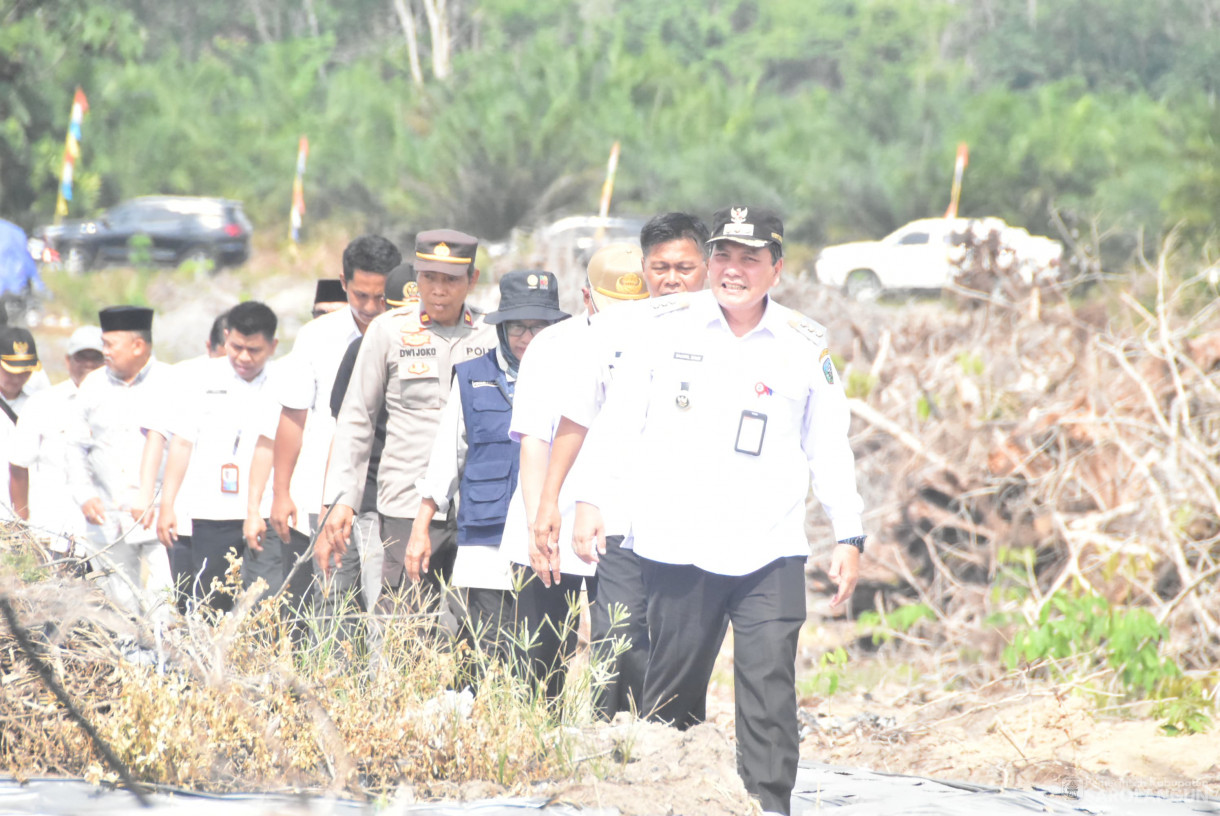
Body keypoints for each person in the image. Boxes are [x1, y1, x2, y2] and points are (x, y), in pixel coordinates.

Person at [539, 206, 865, 816]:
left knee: (769, 690)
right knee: (670, 697)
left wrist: (849, 530)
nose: (732, 270)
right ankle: (661, 797)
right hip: (679, 547)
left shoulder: (804, 344)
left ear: (777, 267)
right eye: (723, 256)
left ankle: (770, 805)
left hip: (769, 550)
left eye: (749, 258)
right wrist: (589, 501)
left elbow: (829, 443)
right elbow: (620, 419)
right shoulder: (661, 327)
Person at [321, 229, 495, 622]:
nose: (438, 290)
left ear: (473, 279)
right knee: (408, 622)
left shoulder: (490, 335)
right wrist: (342, 500)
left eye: (450, 279)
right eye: (429, 277)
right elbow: (356, 419)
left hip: (477, 504)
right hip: (406, 500)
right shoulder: (389, 330)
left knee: (476, 627)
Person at [502, 244, 648, 701]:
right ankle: (537, 749)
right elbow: (534, 439)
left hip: (622, 520)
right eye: (614, 309)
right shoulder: (552, 346)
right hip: (555, 512)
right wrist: (536, 520)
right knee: (540, 653)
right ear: (588, 298)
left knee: (622, 643)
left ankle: (614, 745)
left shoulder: (660, 340)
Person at [412, 269, 568, 677]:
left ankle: (544, 733)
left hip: (550, 538)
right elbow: (448, 453)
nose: (526, 337)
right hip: (487, 533)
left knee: (546, 651)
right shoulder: (472, 375)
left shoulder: (574, 379)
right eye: (517, 326)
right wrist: (422, 523)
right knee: (486, 647)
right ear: (501, 326)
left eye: (539, 327)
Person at [585, 212, 710, 719]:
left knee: (682, 641)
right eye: (661, 267)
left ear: (706, 265)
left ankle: (675, 745)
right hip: (622, 513)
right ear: (643, 267)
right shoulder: (614, 330)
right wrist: (583, 499)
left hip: (693, 519)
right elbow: (590, 421)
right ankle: (605, 737)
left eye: (684, 266)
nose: (672, 279)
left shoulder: (728, 331)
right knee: (617, 630)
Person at [244, 235, 401, 620]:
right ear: (343, 283)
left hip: (391, 494)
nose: (369, 307)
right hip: (324, 496)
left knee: (388, 606)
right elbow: (292, 418)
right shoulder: (316, 337)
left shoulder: (410, 334)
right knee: (332, 605)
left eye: (380, 297)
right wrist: (279, 493)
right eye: (360, 295)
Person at [156, 302, 280, 613]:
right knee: (211, 605)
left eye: (255, 350)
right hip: (212, 511)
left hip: (263, 510)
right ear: (225, 338)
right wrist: (167, 504)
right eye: (236, 347)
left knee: (263, 604)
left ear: (273, 346)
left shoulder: (283, 382)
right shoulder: (200, 378)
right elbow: (181, 443)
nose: (243, 357)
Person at [66, 306, 175, 619]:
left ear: (137, 346)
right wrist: (85, 494)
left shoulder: (171, 381)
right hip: (107, 516)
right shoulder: (92, 385)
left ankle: (165, 666)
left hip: (159, 516)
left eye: (110, 344)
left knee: (164, 604)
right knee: (117, 608)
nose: (104, 352)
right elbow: (74, 447)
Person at [324, 262, 418, 615]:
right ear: (385, 309)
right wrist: (332, 506)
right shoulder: (362, 349)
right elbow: (347, 435)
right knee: (380, 610)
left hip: (432, 508)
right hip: (373, 505)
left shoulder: (446, 349)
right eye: (398, 311)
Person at [135, 310, 230, 610]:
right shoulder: (184, 377)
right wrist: (148, 495)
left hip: (236, 514)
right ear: (210, 347)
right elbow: (157, 435)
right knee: (188, 602)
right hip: (188, 512)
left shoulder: (260, 378)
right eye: (228, 353)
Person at [9, 326, 105, 553]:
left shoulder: (121, 405)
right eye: (82, 357)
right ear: (68, 361)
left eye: (96, 358)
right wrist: (22, 526)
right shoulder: (43, 403)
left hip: (106, 536)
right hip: (54, 533)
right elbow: (18, 465)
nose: (89, 365)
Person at [0, 327, 43, 517]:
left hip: (31, 507)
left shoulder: (41, 403)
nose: (16, 378)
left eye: (24, 371)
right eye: (9, 371)